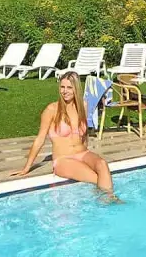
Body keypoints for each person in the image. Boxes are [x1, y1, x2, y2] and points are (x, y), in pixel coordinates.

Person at [10, 70, 118, 201]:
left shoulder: (83, 106)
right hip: (63, 159)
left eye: (69, 87)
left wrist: (88, 156)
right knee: (95, 178)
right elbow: (40, 139)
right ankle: (109, 202)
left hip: (83, 153)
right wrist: (27, 167)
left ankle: (109, 201)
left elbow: (84, 135)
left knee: (102, 164)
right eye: (62, 87)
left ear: (76, 89)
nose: (65, 91)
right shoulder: (52, 109)